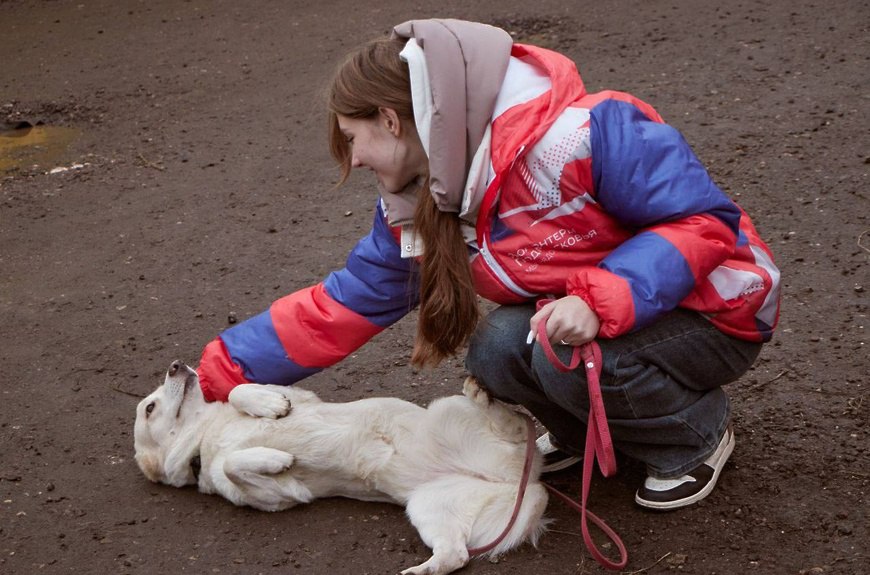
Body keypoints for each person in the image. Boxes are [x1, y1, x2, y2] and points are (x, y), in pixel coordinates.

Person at [195, 19, 780, 510]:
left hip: (713, 309)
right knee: (496, 346)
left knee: (563, 356)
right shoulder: (423, 199)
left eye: (352, 139)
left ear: (391, 120)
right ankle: (586, 433)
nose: (355, 159)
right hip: (608, 319)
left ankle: (694, 437)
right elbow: (347, 302)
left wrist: (597, 298)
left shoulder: (584, 133)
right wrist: (221, 374)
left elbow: (701, 223)